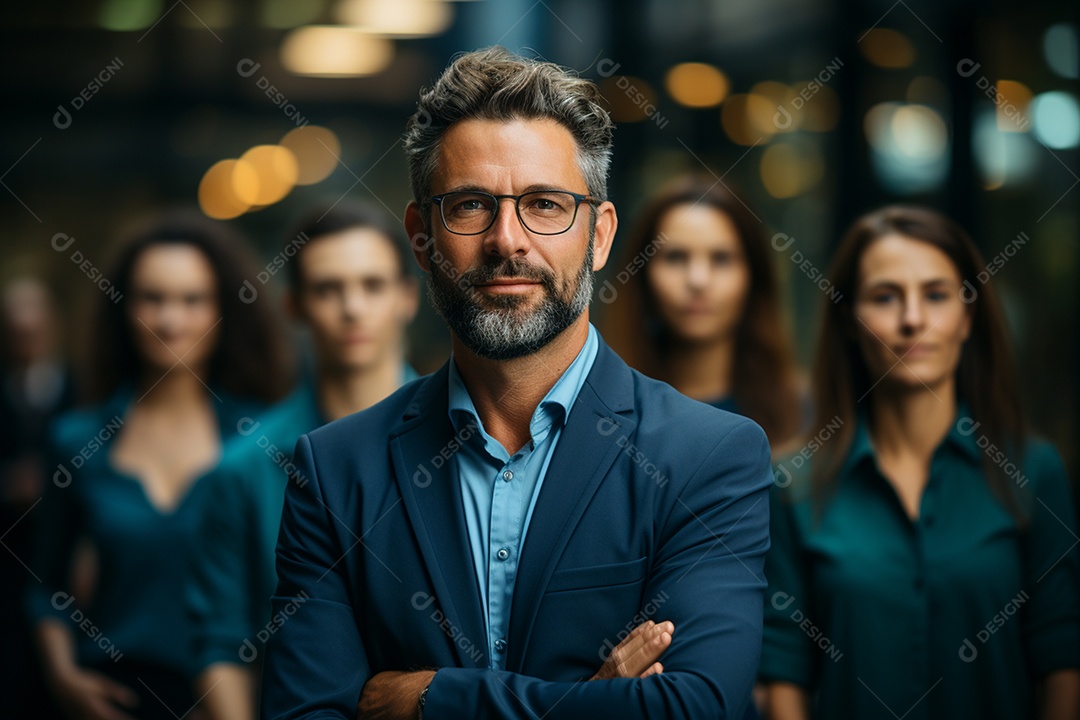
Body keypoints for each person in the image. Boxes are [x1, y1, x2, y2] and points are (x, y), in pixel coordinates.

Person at [260, 46, 773, 720]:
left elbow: (692, 709)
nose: (508, 240)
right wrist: (589, 705)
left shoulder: (708, 456)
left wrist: (430, 698)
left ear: (599, 234)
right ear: (421, 237)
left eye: (545, 204)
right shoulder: (334, 473)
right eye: (471, 206)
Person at [759, 206, 1080, 720]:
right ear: (849, 320)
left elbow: (1062, 656)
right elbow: (785, 670)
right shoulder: (793, 484)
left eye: (936, 295)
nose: (912, 318)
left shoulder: (1033, 471)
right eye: (885, 296)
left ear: (968, 315)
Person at [26, 212, 291, 720]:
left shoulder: (267, 439)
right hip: (114, 699)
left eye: (192, 299)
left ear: (223, 311)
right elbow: (45, 585)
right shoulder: (76, 440)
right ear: (124, 309)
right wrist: (65, 679)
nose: (171, 319)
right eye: (152, 298)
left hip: (240, 701)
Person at [189, 201, 420, 720]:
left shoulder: (468, 435)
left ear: (407, 297)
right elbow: (221, 644)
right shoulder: (241, 468)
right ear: (294, 306)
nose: (352, 307)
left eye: (373, 285)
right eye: (327, 288)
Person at [600, 175, 803, 451]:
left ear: (753, 276)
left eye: (721, 259)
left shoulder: (804, 415)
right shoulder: (604, 413)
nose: (698, 280)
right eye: (675, 257)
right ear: (642, 275)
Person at [0, 278, 77, 719]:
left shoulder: (82, 388)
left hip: (68, 563)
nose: (25, 329)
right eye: (15, 324)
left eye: (34, 319)